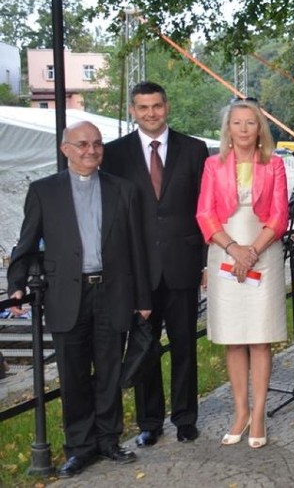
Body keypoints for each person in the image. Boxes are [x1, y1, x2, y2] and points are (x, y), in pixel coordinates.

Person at [7, 121, 150, 478]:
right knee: (72, 375)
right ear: (65, 149)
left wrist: (143, 297)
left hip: (113, 291)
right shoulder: (44, 191)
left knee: (109, 371)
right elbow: (26, 243)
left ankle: (108, 440)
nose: (91, 150)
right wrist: (16, 285)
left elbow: (137, 248)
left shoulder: (123, 190)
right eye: (83, 144)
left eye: (97, 144)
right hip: (67, 294)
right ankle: (79, 448)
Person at [101, 81, 208, 447]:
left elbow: (204, 210)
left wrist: (206, 261)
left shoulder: (194, 150)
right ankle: (149, 422)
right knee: (144, 347)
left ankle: (185, 418)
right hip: (138, 269)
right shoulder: (114, 155)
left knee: (184, 346)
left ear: (167, 105)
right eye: (143, 107)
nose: (151, 113)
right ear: (133, 110)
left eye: (157, 106)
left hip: (183, 262)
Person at [196, 99, 288, 449]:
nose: (245, 129)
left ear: (260, 128)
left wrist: (251, 252)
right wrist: (235, 249)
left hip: (263, 252)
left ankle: (260, 412)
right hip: (225, 251)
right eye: (238, 123)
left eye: (251, 123)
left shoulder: (275, 165)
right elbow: (204, 213)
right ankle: (240, 411)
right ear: (228, 129)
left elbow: (279, 215)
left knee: (260, 337)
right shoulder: (212, 165)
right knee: (234, 337)